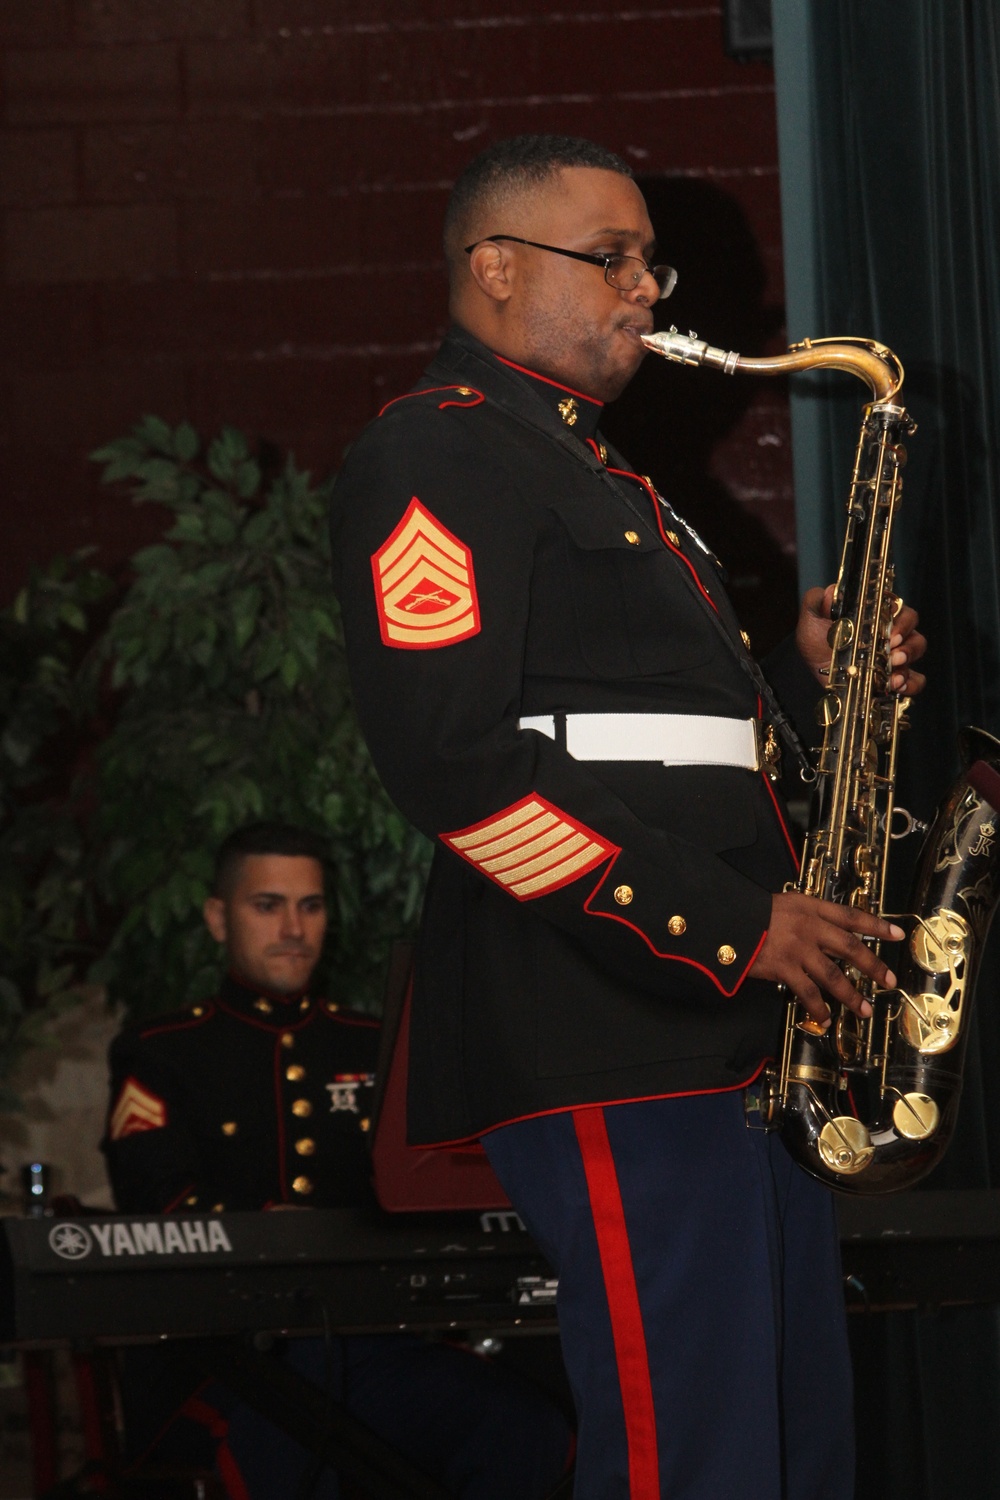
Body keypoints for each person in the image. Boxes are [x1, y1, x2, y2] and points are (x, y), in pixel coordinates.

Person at [327, 135, 927, 1500]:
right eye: (612, 258)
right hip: (610, 1017)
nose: (648, 288)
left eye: (647, 260)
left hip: (722, 1023)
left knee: (786, 1450)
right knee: (692, 1458)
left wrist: (801, 681)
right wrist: (733, 928)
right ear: (491, 269)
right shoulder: (438, 450)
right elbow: (455, 764)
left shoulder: (601, 474)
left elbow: (658, 743)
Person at [102, 821, 574, 1500]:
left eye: (311, 906)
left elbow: (432, 1189)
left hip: (374, 1343)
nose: (293, 927)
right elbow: (159, 1203)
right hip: (226, 1359)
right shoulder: (164, 1051)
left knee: (518, 1425)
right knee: (297, 1447)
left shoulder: (372, 1042)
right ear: (217, 918)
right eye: (267, 905)